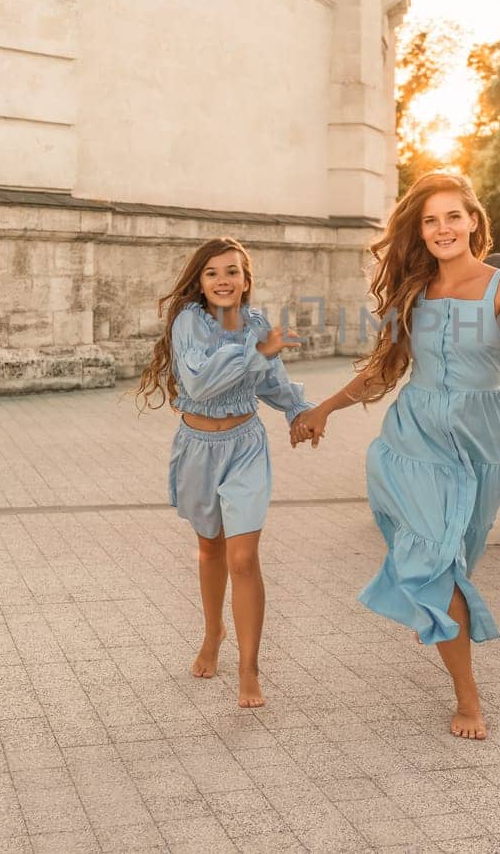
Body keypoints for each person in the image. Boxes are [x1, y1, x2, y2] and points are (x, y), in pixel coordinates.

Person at [290, 172, 500, 739]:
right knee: (436, 563)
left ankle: (433, 608)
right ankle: (467, 699)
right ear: (421, 231)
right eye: (430, 220)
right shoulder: (413, 291)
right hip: (416, 438)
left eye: (453, 216)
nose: (442, 228)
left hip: (483, 442)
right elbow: (385, 369)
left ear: (474, 221)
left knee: (458, 556)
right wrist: (325, 408)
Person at [136, 237, 311, 709]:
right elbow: (199, 380)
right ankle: (213, 633)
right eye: (212, 272)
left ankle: (249, 667)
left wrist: (300, 412)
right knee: (210, 546)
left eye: (232, 271)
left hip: (245, 447)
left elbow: (272, 382)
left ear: (246, 280)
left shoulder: (257, 324)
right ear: (200, 282)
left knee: (243, 558)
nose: (223, 280)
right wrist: (260, 353)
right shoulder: (188, 323)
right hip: (197, 447)